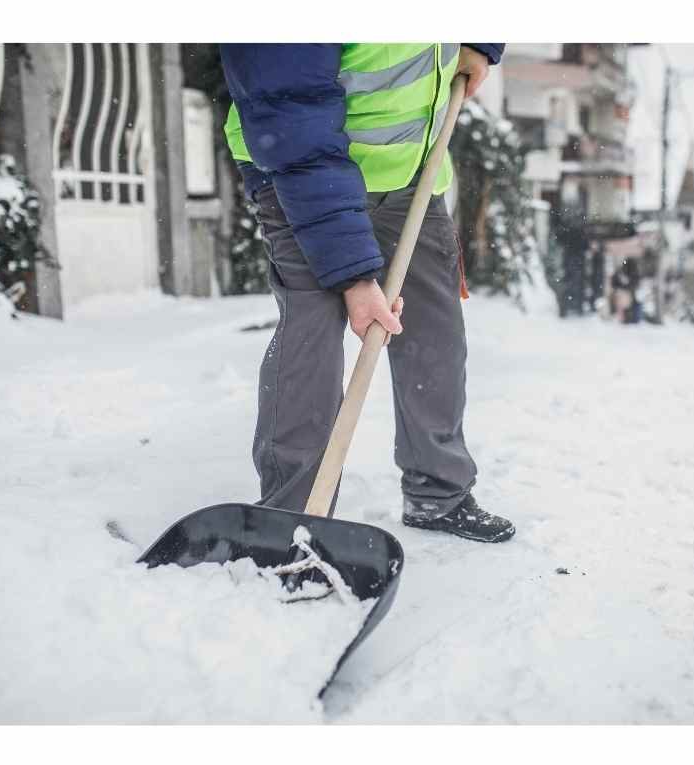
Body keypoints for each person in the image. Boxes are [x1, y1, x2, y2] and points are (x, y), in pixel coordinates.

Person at [220, 44, 515, 543]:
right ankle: (291, 515)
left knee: (433, 335)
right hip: (300, 176)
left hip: (411, 175)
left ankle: (437, 492)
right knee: (311, 334)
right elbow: (292, 115)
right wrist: (355, 279)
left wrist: (480, 42)